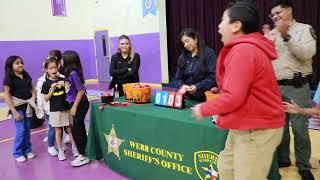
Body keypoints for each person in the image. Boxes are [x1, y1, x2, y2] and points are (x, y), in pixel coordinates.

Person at [192, 1, 285, 179]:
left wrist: (204, 109)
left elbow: (234, 96)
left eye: (222, 21)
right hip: (245, 122)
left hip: (258, 127)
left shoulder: (244, 51)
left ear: (236, 26)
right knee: (226, 166)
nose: (219, 26)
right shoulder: (244, 49)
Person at [270, 0, 316, 179]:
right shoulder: (272, 33)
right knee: (279, 126)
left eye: (278, 13)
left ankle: (303, 165)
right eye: (272, 15)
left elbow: (307, 53)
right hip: (275, 87)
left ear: (289, 11)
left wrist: (286, 36)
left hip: (297, 87)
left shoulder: (304, 29)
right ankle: (283, 159)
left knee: (299, 128)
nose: (275, 17)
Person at [41, 58, 79, 161]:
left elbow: (70, 91)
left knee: (70, 129)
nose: (54, 70)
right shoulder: (46, 83)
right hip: (55, 111)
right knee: (58, 131)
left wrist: (65, 84)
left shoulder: (63, 79)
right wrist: (52, 90)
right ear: (46, 70)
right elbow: (46, 98)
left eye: (55, 67)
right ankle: (60, 151)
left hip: (66, 108)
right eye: (51, 68)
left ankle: (75, 148)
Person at [3, 56, 36, 162]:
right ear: (10, 66)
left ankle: (27, 150)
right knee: (20, 130)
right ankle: (17, 153)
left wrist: (33, 99)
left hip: (27, 107)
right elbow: (7, 96)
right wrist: (14, 111)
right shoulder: (8, 79)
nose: (21, 64)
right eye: (17, 63)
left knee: (27, 130)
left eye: (21, 62)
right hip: (18, 109)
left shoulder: (26, 75)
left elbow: (33, 89)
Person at [63, 50, 90, 166]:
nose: (61, 61)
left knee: (76, 129)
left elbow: (80, 90)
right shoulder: (69, 74)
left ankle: (83, 155)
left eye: (63, 59)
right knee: (79, 127)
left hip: (80, 104)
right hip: (75, 103)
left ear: (68, 61)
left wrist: (74, 106)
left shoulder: (73, 73)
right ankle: (86, 151)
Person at [175, 28, 217, 102]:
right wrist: (183, 87)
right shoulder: (182, 57)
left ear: (195, 39)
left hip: (204, 98)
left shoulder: (209, 54)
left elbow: (213, 77)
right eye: (184, 43)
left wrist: (197, 87)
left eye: (187, 41)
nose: (186, 45)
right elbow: (178, 78)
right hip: (186, 98)